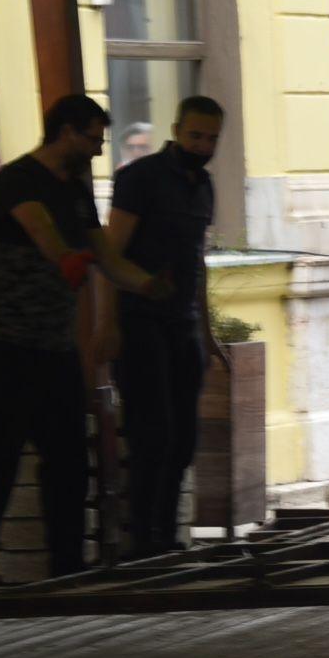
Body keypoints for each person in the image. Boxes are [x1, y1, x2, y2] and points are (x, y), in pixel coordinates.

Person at [0, 95, 170, 596]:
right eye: (93, 138)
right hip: (4, 342)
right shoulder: (16, 180)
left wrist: (145, 284)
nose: (98, 150)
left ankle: (68, 568)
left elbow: (102, 253)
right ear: (66, 132)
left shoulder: (76, 188)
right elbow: (44, 233)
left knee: (69, 459)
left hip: (52, 345)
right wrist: (65, 260)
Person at [103, 96, 226, 558]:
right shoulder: (140, 179)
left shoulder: (204, 187)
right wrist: (108, 325)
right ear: (176, 130)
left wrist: (208, 334)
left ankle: (164, 534)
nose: (203, 145)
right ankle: (143, 539)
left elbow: (198, 261)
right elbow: (110, 255)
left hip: (183, 326)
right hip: (140, 322)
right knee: (151, 434)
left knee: (182, 440)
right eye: (195, 135)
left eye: (212, 138)